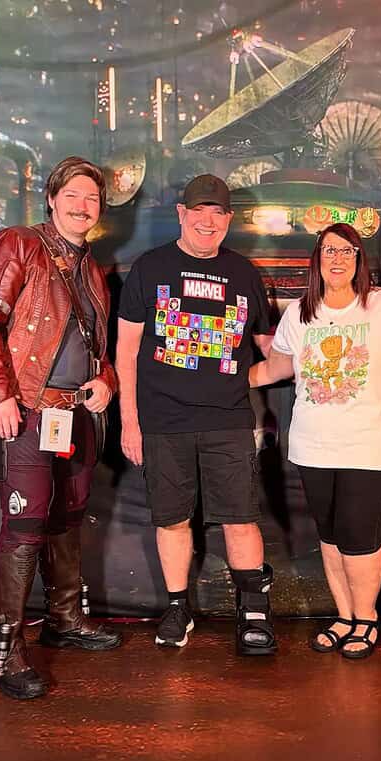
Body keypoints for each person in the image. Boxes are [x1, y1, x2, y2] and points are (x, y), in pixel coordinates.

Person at [0, 156, 122, 701]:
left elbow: (94, 348)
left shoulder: (91, 267)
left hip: (75, 414)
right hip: (26, 411)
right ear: (51, 199)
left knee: (68, 515)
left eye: (92, 199)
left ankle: (64, 618)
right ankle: (3, 648)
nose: (82, 206)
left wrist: (106, 379)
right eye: (73, 196)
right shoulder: (19, 244)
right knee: (24, 525)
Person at [250, 223, 381, 658]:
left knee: (359, 537)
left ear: (359, 260)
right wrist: (219, 380)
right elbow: (276, 369)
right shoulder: (300, 312)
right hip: (312, 445)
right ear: (317, 259)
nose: (337, 259)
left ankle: (366, 618)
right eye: (329, 250)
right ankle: (343, 615)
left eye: (347, 251)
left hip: (368, 446)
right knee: (331, 537)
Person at [116, 174, 276, 654]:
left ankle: (253, 615)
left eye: (219, 213)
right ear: (182, 215)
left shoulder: (245, 273)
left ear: (229, 220)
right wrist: (130, 421)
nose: (208, 222)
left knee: (241, 519)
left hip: (228, 420)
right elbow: (124, 353)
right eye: (199, 212)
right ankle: (177, 607)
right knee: (171, 520)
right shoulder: (150, 267)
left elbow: (271, 348)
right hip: (163, 420)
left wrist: (332, 347)